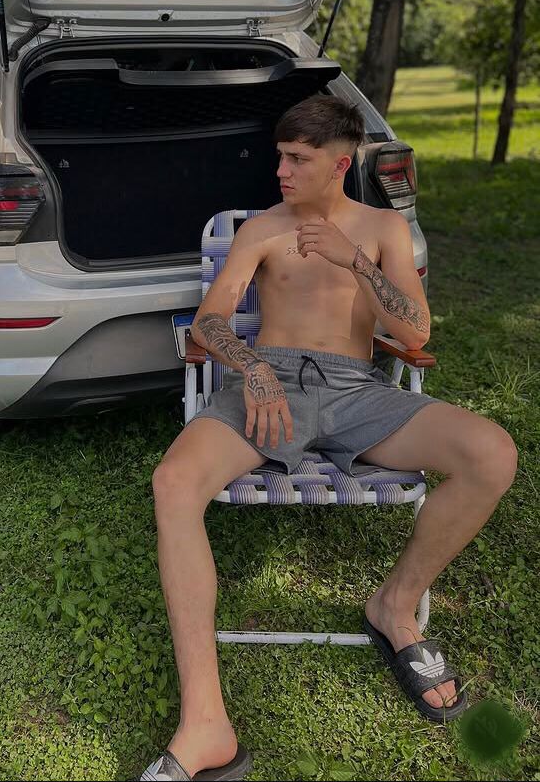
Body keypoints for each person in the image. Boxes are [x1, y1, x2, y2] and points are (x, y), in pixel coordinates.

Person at [138, 95, 517, 782]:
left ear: (340, 165)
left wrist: (357, 263)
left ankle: (395, 606)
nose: (280, 170)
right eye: (280, 156)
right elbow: (210, 320)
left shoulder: (382, 228)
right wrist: (253, 368)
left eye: (297, 159)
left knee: (492, 453)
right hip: (269, 381)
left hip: (356, 390)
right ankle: (206, 724)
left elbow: (415, 332)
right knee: (174, 482)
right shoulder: (261, 229)